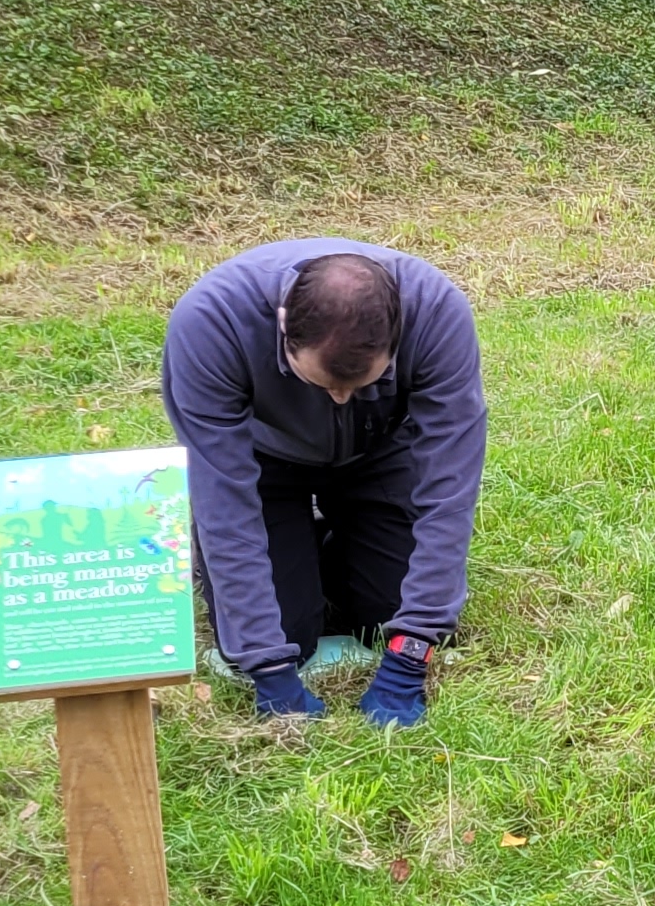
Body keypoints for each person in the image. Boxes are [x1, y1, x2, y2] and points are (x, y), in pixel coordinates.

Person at [163, 239, 486, 725]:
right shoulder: (211, 324)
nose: (338, 398)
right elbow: (223, 501)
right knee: (291, 634)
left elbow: (449, 492)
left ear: (396, 337)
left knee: (385, 618)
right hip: (262, 462)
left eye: (358, 385)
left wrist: (413, 647)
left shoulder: (437, 313)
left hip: (378, 450)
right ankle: (290, 541)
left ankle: (329, 544)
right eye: (322, 382)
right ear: (283, 326)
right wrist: (266, 663)